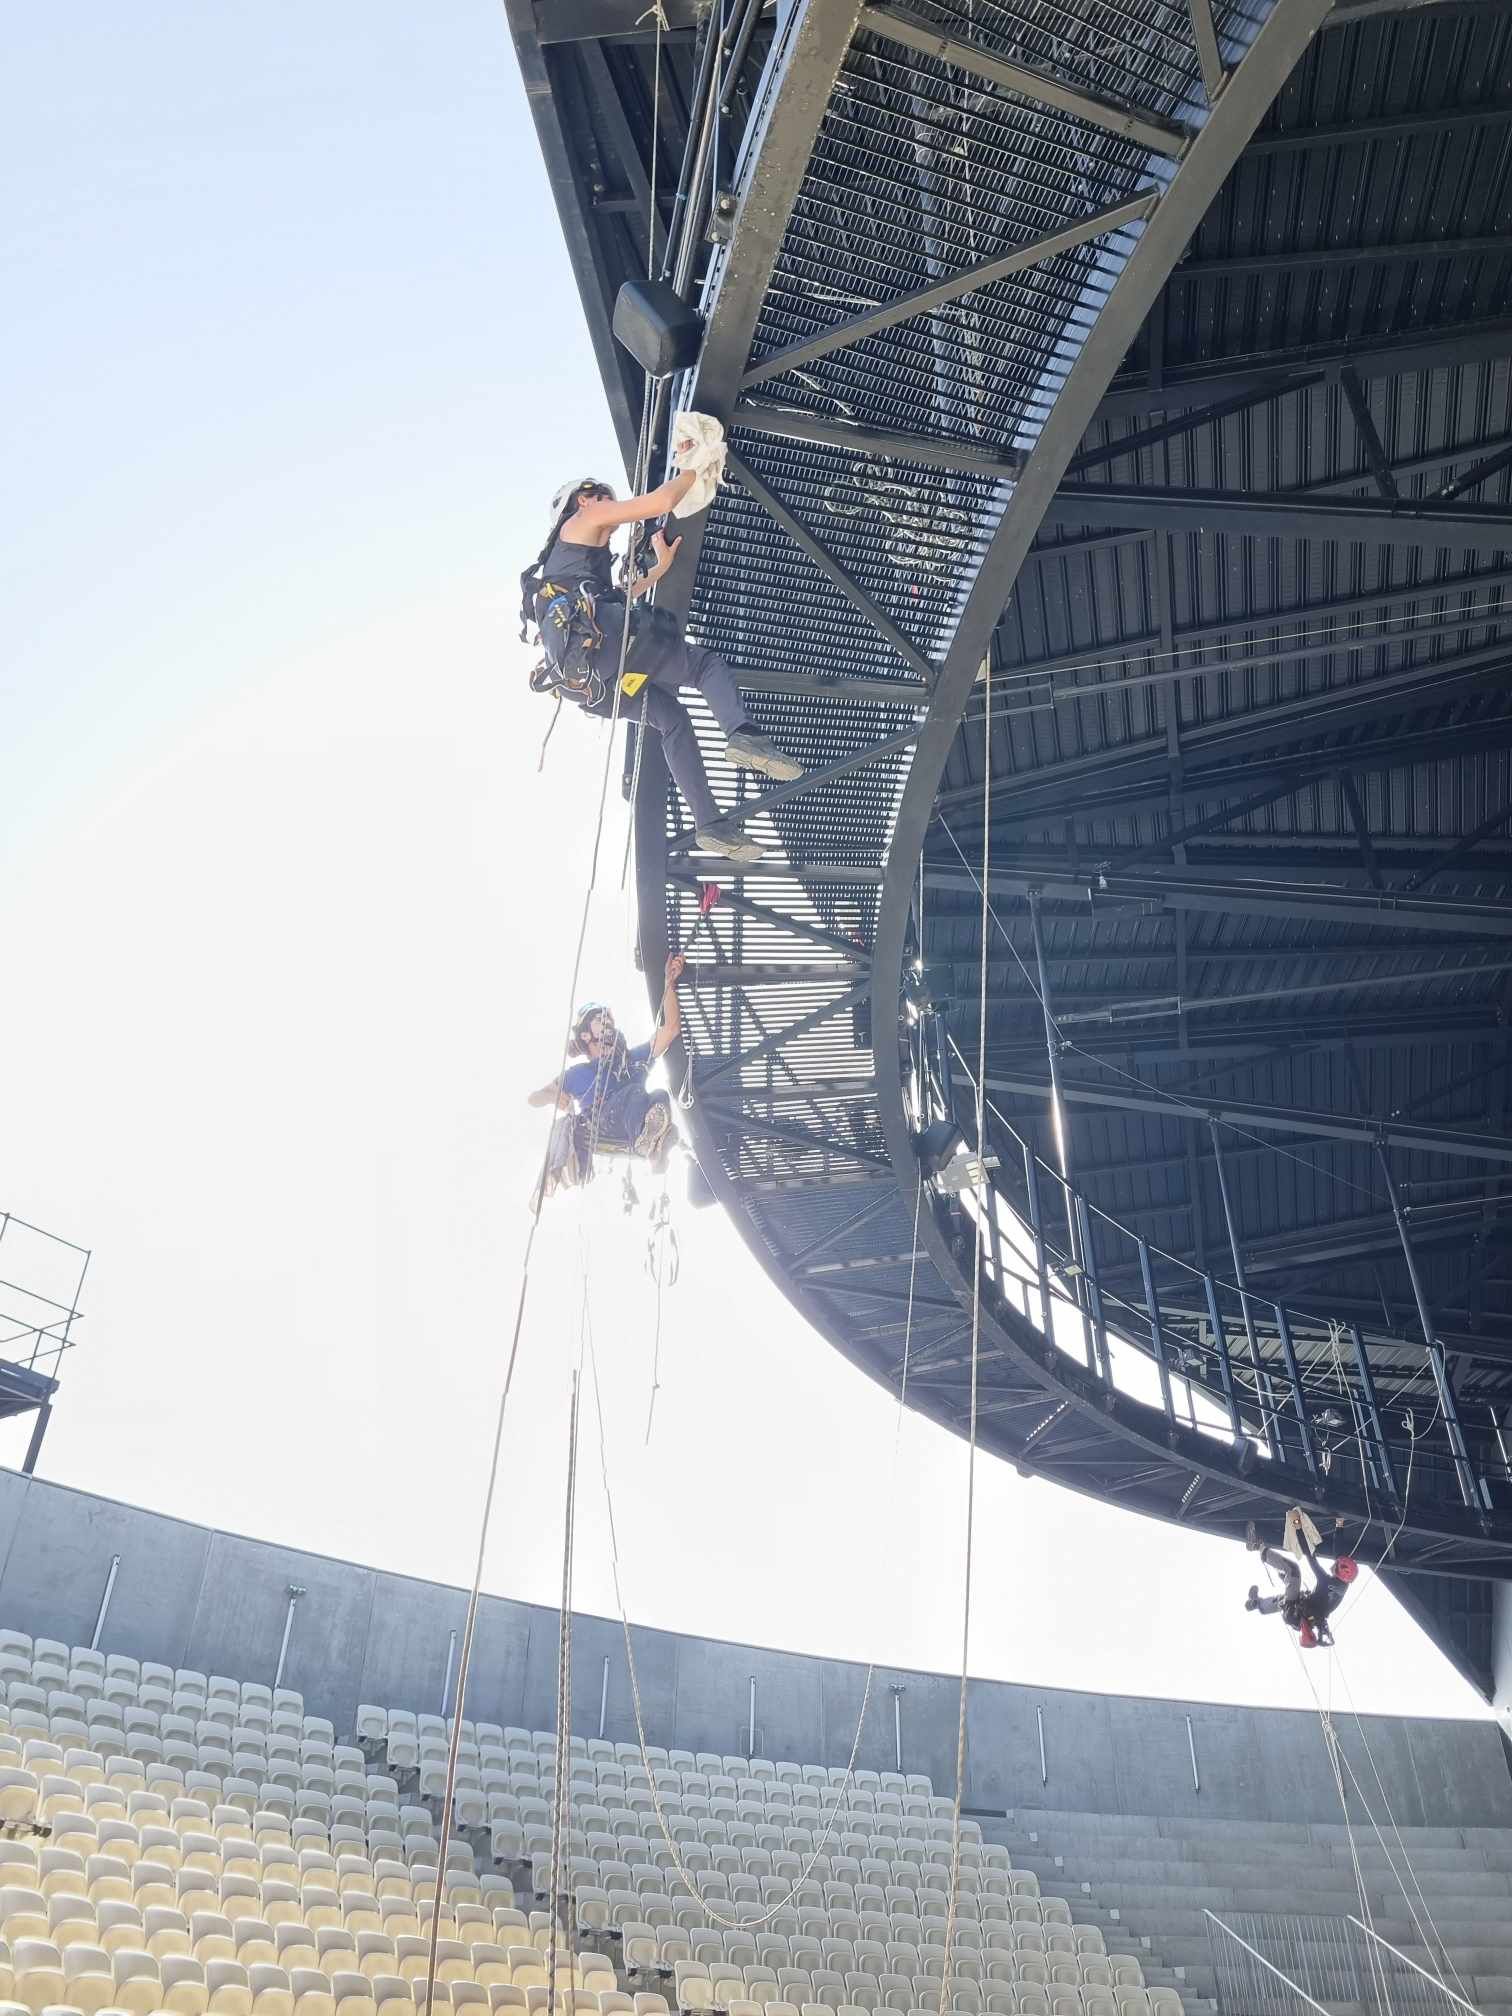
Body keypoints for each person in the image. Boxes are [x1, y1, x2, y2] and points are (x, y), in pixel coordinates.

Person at [521, 444, 803, 864]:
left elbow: (614, 596)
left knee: (671, 720)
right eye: (604, 497)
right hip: (609, 644)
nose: (611, 508)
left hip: (590, 686)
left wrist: (658, 570)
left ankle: (710, 825)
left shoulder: (566, 573)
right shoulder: (585, 518)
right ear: (583, 499)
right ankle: (742, 734)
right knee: (705, 665)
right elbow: (662, 501)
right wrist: (697, 465)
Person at [527, 953, 686, 1205]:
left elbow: (671, 1029)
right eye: (600, 1021)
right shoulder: (579, 1075)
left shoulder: (632, 1060)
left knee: (660, 1096)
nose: (608, 1024)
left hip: (631, 1124)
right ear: (586, 1036)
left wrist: (669, 982)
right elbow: (533, 1099)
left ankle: (654, 1149)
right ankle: (647, 1143)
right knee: (635, 1093)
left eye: (608, 1019)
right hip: (601, 1124)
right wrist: (556, 1097)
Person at [1244, 1516, 1358, 1649]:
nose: (1335, 1563)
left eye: (1337, 1564)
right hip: (1303, 1609)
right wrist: (1339, 1524)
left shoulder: (1326, 1581)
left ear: (1339, 1572)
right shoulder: (1342, 1582)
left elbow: (1309, 1554)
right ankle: (1257, 1604)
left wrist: (1297, 1523)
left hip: (1297, 1611)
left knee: (1293, 1571)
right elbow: (1339, 1554)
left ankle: (1256, 1546)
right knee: (1285, 1597)